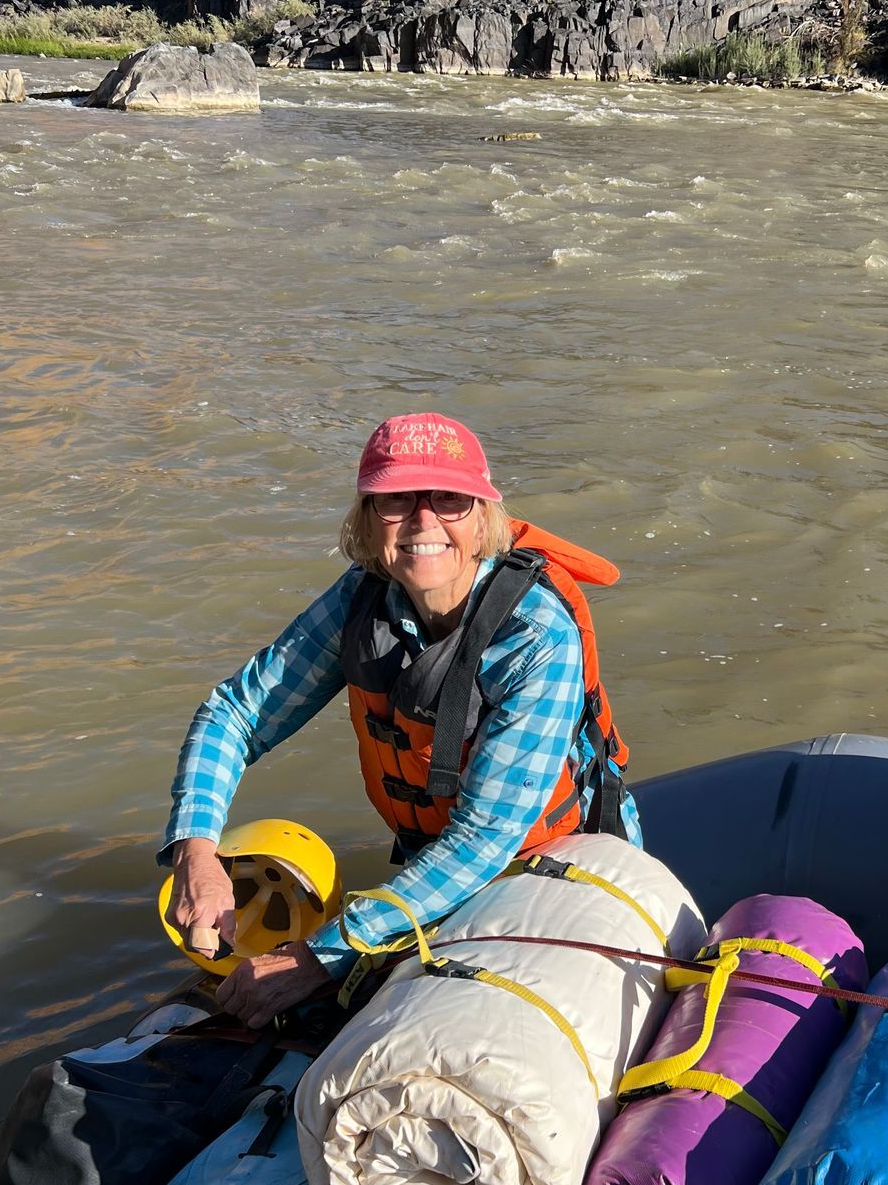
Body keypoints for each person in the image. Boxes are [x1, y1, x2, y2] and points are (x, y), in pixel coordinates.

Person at [160, 412, 639, 1026]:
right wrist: (196, 852)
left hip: (552, 867)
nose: (423, 521)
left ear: (484, 516)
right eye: (396, 500)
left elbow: (485, 839)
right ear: (365, 520)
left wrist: (316, 957)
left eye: (449, 499)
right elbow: (234, 712)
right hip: (437, 866)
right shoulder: (360, 598)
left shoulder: (536, 638)